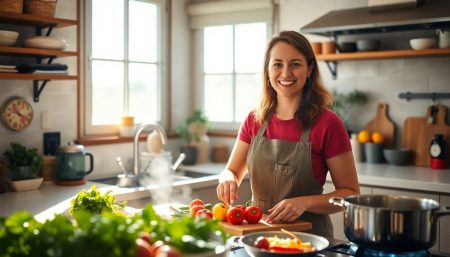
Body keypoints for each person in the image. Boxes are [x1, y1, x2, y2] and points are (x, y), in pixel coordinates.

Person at [216, 31, 360, 238]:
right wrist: (227, 180)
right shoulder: (254, 120)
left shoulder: (328, 123)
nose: (286, 73)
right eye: (277, 64)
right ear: (267, 70)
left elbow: (350, 193)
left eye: (295, 64)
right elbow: (231, 171)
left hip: (309, 241)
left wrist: (305, 202)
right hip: (257, 236)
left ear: (309, 69)